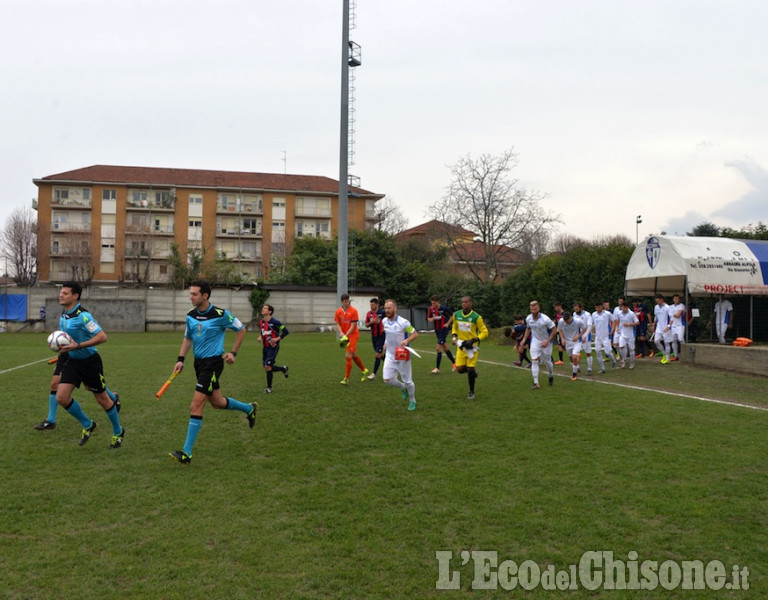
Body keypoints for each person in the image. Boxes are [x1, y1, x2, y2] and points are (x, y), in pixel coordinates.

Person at [168, 280, 256, 465]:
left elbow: (241, 330)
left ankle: (186, 453)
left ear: (205, 296)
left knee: (195, 405)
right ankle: (249, 408)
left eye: (194, 294)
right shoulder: (190, 315)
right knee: (217, 402)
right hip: (198, 364)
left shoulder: (221, 314)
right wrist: (180, 359)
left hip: (213, 364)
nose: (191, 297)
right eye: (190, 294)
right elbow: (188, 338)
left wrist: (233, 353)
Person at [51, 281, 124, 449]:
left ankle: (118, 431)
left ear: (75, 296)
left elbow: (102, 337)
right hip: (72, 361)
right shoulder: (64, 315)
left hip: (90, 362)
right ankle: (88, 424)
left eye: (65, 293)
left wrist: (78, 345)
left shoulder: (84, 316)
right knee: (61, 397)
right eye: (61, 292)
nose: (61, 295)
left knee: (102, 399)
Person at [33, 354, 120, 431]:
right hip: (65, 355)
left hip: (79, 356)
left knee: (90, 386)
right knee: (54, 384)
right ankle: (50, 420)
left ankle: (113, 397)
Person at [381, 299, 419, 411]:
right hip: (390, 355)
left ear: (395, 309)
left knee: (408, 381)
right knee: (387, 379)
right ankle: (402, 387)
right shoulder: (384, 321)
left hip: (402, 356)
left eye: (389, 308)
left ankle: (412, 400)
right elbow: (388, 335)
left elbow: (415, 334)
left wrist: (406, 341)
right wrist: (385, 343)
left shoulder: (403, 322)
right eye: (385, 308)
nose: (386, 310)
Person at [451, 296, 489, 400]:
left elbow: (485, 332)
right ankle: (472, 373)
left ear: (470, 303)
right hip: (461, 346)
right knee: (459, 369)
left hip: (472, 347)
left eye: (466, 302)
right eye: (462, 302)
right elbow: (454, 327)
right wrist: (454, 337)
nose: (464, 304)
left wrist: (473, 340)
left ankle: (471, 391)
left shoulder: (476, 317)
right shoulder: (457, 315)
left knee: (470, 368)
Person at [335, 293, 370, 384]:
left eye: (348, 301)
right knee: (353, 355)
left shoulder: (353, 311)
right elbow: (338, 323)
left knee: (348, 356)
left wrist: (345, 335)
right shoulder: (338, 311)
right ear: (342, 302)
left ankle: (346, 378)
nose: (347, 303)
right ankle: (364, 370)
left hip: (353, 335)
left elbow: (353, 325)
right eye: (345, 301)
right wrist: (341, 332)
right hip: (345, 335)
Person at [522, 300, 556, 390]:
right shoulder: (528, 318)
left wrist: (547, 341)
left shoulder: (545, 319)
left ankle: (551, 374)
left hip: (546, 342)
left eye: (535, 309)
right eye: (532, 309)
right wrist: (524, 339)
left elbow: (554, 330)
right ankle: (536, 383)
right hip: (535, 342)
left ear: (539, 308)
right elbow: (528, 329)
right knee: (534, 360)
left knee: (548, 362)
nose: (533, 311)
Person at [258, 304, 289, 394]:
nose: (263, 309)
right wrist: (260, 337)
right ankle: (283, 369)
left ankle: (269, 388)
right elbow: (263, 333)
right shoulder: (261, 322)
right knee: (267, 367)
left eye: (265, 308)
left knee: (267, 367)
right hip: (265, 347)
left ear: (270, 311)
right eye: (263, 308)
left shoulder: (276, 322)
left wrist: (277, 339)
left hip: (273, 347)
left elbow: (286, 331)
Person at [427, 295, 456, 373]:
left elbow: (453, 315)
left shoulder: (444, 308)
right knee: (445, 348)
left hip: (444, 329)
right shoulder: (431, 309)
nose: (433, 305)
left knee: (438, 347)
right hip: (437, 330)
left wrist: (448, 323)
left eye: (434, 303)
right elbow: (429, 318)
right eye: (432, 303)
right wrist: (431, 319)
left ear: (438, 302)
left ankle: (437, 368)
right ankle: (454, 363)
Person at [557, 311, 586, 380]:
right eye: (565, 321)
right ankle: (577, 365)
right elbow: (560, 330)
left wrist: (578, 336)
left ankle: (574, 374)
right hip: (567, 342)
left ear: (570, 318)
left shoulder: (578, 321)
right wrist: (562, 339)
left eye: (567, 321)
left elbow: (584, 329)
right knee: (571, 359)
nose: (566, 322)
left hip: (576, 341)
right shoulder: (561, 321)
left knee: (573, 357)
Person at [591, 301, 617, 372]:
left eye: (599, 307)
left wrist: (613, 329)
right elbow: (591, 323)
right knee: (598, 352)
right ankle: (602, 368)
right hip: (597, 337)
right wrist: (591, 329)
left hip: (606, 336)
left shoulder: (607, 313)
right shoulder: (594, 314)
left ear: (602, 307)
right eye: (596, 307)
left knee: (607, 352)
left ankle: (613, 360)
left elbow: (614, 320)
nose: (598, 309)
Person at [364, 298, 386, 379]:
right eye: (370, 305)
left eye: (373, 305)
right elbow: (366, 325)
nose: (371, 306)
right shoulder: (369, 314)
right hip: (374, 336)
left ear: (377, 305)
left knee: (377, 355)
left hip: (381, 336)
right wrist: (371, 322)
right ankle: (392, 365)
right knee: (380, 355)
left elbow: (389, 321)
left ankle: (373, 374)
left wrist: (385, 328)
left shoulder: (382, 313)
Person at [572, 302, 594, 375]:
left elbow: (590, 325)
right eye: (575, 309)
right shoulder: (574, 314)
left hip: (586, 336)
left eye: (577, 309)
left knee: (588, 353)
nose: (576, 311)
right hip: (577, 337)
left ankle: (589, 369)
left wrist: (585, 336)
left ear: (581, 308)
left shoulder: (587, 315)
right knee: (575, 352)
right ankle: (577, 367)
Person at [651, 294, 672, 364]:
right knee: (656, 341)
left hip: (666, 327)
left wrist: (668, 326)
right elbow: (656, 317)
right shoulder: (656, 307)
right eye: (656, 301)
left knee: (666, 343)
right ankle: (664, 354)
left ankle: (667, 358)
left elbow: (672, 318)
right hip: (659, 327)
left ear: (662, 300)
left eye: (658, 301)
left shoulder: (667, 307)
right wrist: (653, 325)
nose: (657, 303)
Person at [617, 303, 639, 369]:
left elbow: (637, 322)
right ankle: (624, 360)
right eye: (623, 307)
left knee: (631, 349)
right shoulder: (619, 313)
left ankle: (632, 362)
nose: (624, 309)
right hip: (622, 334)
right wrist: (618, 328)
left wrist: (629, 324)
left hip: (631, 334)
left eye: (626, 307)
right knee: (621, 347)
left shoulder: (631, 314)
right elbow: (618, 320)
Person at [667, 294, 687, 361]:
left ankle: (685, 352)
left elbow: (678, 315)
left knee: (680, 339)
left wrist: (673, 314)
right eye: (675, 298)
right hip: (673, 325)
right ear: (673, 299)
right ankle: (676, 355)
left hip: (680, 325)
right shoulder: (670, 306)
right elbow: (671, 316)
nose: (676, 300)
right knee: (673, 340)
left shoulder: (681, 305)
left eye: (677, 299)